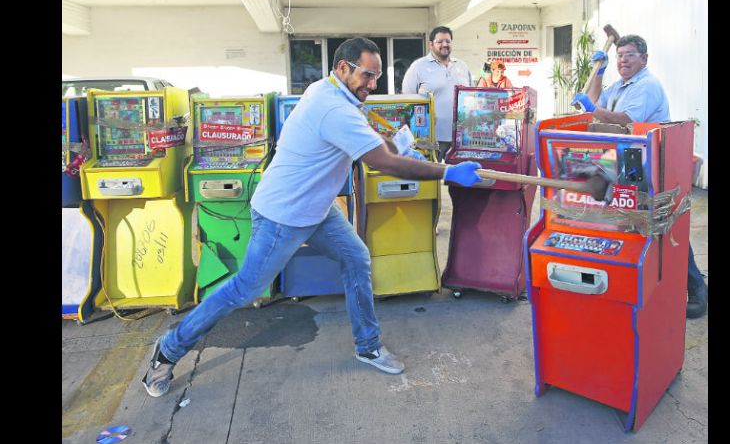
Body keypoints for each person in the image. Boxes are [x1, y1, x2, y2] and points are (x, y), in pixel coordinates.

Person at [141, 37, 483, 398]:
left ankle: (368, 345)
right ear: (343, 68)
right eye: (367, 75)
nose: (372, 84)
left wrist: (396, 142)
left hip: (316, 209)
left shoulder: (332, 91)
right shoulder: (333, 108)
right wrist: (446, 172)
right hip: (282, 216)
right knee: (245, 288)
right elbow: (380, 162)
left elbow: (368, 138)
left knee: (356, 258)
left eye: (377, 77)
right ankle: (167, 350)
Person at [572, 34, 707, 319]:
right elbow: (597, 100)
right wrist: (598, 72)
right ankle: (642, 284)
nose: (623, 59)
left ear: (644, 58)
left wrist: (592, 108)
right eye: (620, 55)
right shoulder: (621, 84)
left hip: (653, 164)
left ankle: (696, 288)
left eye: (630, 55)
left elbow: (625, 120)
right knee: (636, 222)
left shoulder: (646, 86)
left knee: (663, 225)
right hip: (628, 162)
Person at [401, 26, 473, 162]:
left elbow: (471, 97)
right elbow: (406, 100)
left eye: (448, 41)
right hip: (428, 139)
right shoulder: (418, 67)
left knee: (458, 179)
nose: (445, 44)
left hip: (460, 138)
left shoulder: (462, 66)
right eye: (440, 41)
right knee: (430, 179)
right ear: (431, 44)